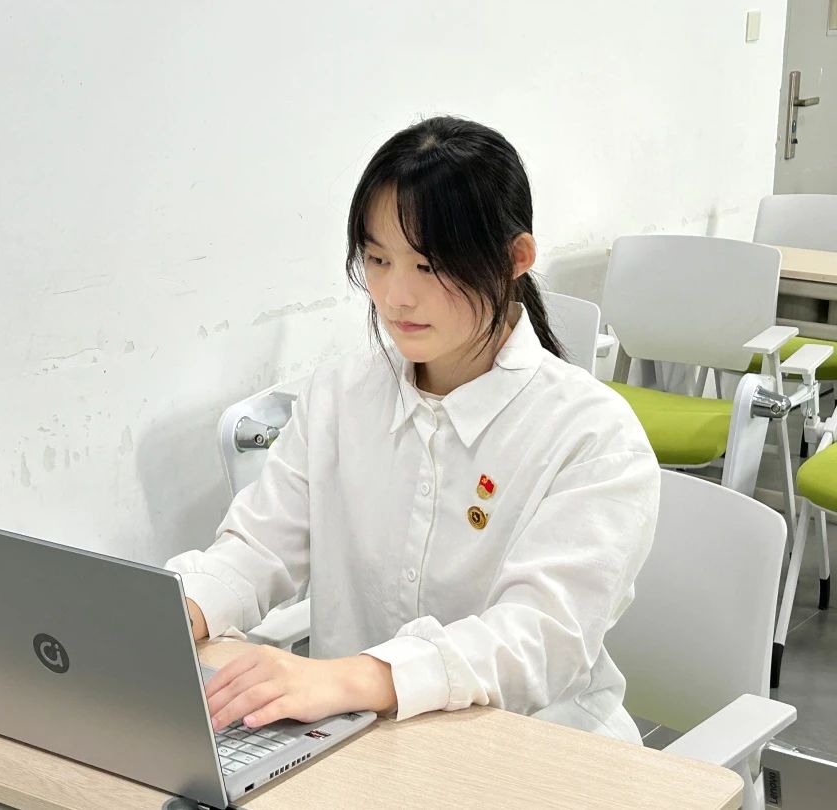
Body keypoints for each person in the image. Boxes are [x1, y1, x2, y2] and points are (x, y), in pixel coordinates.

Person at [166, 115, 660, 744]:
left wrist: (357, 677)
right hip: (361, 743)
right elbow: (259, 548)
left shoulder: (592, 435)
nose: (396, 296)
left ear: (515, 259)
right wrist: (180, 610)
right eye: (377, 259)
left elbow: (537, 638)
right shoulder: (338, 396)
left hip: (534, 750)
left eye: (428, 266)